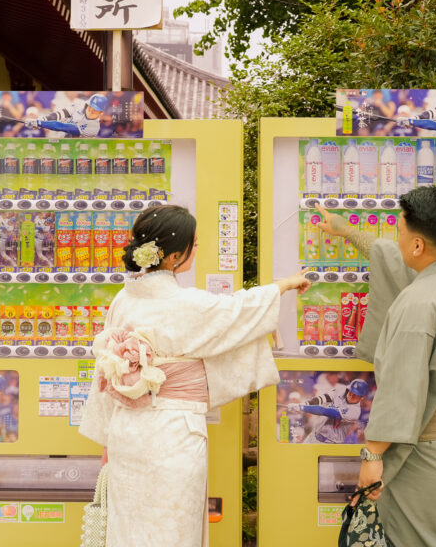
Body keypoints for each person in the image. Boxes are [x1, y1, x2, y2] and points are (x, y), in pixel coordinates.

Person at [79, 204, 310, 547]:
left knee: (129, 531)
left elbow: (108, 371)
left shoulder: (123, 300)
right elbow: (237, 312)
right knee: (173, 531)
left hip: (127, 433)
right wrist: (284, 285)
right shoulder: (185, 303)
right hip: (173, 436)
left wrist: (107, 440)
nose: (198, 249)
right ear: (173, 257)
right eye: (196, 244)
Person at [315, 185, 436, 547]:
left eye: (402, 230)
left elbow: (402, 389)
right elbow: (391, 255)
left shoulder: (417, 304)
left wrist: (372, 456)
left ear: (419, 245)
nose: (398, 238)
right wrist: (346, 231)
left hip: (426, 457)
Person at [288, 378, 368, 444]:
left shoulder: (355, 412)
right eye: (351, 391)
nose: (351, 395)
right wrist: (304, 403)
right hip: (314, 435)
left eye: (356, 394)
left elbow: (325, 411)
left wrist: (302, 407)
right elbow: (322, 399)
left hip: (331, 443)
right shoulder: (341, 391)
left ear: (362, 397)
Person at [27, 93, 108, 137]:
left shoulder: (93, 127)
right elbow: (59, 115)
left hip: (83, 149)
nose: (91, 110)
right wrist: (42, 120)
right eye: (91, 106)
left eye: (95, 109)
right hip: (67, 140)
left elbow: (63, 127)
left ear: (101, 112)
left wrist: (41, 123)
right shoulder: (79, 105)